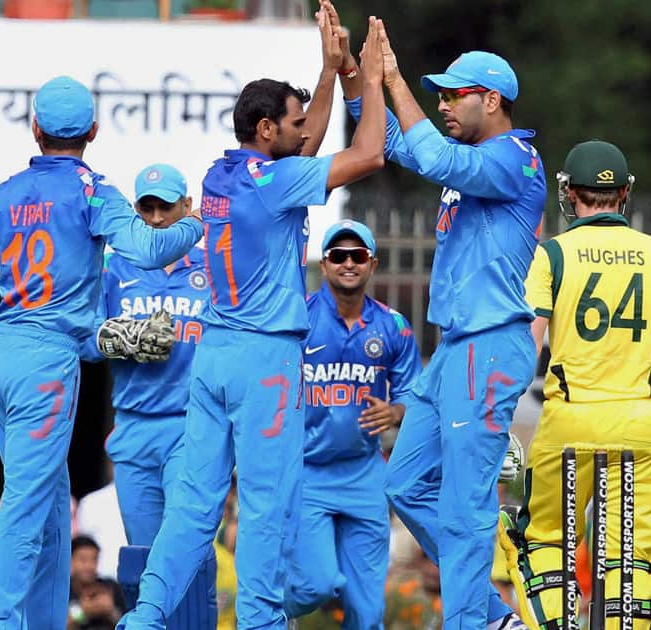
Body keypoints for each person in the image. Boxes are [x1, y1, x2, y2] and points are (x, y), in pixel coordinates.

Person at [117, 7, 388, 628]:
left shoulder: (222, 173)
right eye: (290, 123)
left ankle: (145, 616)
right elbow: (368, 152)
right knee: (270, 506)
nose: (302, 131)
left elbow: (306, 146)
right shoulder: (278, 183)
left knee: (193, 504)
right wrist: (364, 78)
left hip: (214, 357)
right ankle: (263, 622)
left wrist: (324, 75)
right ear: (268, 129)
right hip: (266, 361)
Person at [0, 74, 204, 630]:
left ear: (35, 128)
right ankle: (4, 623)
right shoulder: (93, 191)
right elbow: (149, 244)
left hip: (0, 355)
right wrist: (196, 222)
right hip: (47, 360)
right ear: (92, 131)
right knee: (26, 496)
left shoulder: (0, 194)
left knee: (48, 495)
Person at [338, 22, 546, 628]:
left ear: (493, 100)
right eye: (441, 95)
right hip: (455, 349)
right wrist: (356, 77)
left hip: (490, 346)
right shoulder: (470, 158)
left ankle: (469, 623)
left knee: (464, 509)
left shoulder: (515, 157)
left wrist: (396, 78)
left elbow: (427, 151)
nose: (443, 105)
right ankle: (490, 616)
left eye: (455, 95)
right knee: (403, 485)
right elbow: (396, 143)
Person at [498, 140, 651, 630]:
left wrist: (499, 416)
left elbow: (526, 345)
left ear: (570, 194)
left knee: (543, 538)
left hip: (571, 421)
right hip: (642, 424)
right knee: (633, 554)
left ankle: (556, 623)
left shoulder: (552, 256)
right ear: (624, 194)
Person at [90, 162, 217, 623]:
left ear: (187, 208)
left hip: (192, 426)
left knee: (184, 548)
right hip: (133, 429)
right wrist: (120, 336)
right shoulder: (114, 266)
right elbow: (84, 340)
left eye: (168, 206)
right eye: (148, 207)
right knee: (143, 558)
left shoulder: (213, 269)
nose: (159, 218)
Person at [285, 219, 421, 629]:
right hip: (308, 473)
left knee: (369, 613)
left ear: (372, 264)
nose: (348, 263)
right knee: (316, 585)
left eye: (357, 256)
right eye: (338, 256)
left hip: (365, 475)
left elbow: (413, 394)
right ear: (324, 265)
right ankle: (264, 614)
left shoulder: (393, 326)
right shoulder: (299, 319)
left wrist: (396, 412)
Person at [68, 536, 126, 630]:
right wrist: (84, 612)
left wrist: (110, 611)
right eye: (83, 560)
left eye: (94, 559)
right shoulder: (63, 591)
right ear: (70, 560)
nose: (89, 566)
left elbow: (128, 623)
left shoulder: (111, 587)